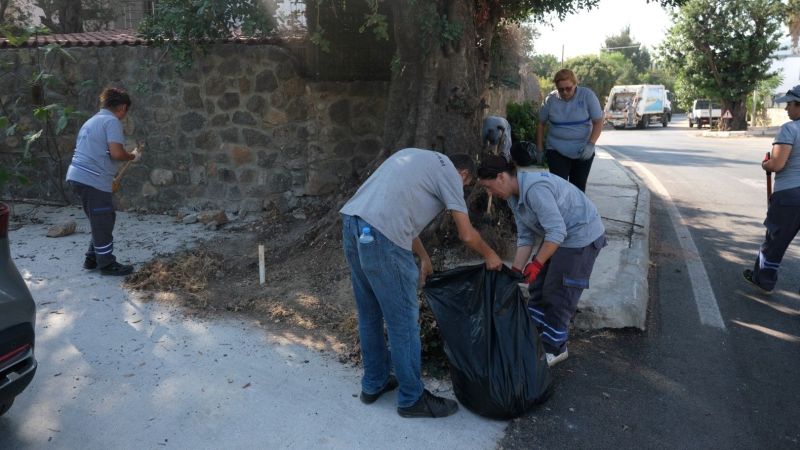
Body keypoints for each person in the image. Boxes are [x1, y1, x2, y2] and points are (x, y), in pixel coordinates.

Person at [340, 148, 503, 418]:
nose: (461, 191)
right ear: (464, 174)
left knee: (369, 314)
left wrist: (424, 258)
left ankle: (374, 382)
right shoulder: (450, 174)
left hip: (353, 225)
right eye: (466, 185)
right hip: (382, 238)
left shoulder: (417, 158)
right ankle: (411, 399)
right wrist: (490, 255)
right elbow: (466, 234)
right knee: (403, 321)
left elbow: (400, 216)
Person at [476, 155, 606, 366]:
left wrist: (537, 263)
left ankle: (556, 347)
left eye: (489, 187)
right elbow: (526, 236)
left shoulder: (535, 189)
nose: (490, 194)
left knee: (559, 292)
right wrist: (516, 272)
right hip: (559, 235)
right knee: (537, 287)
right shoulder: (512, 196)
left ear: (501, 177)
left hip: (581, 236)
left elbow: (557, 231)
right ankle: (535, 332)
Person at [66, 87, 141, 276]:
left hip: (79, 176)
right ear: (122, 107)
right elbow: (116, 153)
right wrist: (132, 156)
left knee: (100, 218)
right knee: (103, 219)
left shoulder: (92, 121)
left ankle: (92, 258)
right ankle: (107, 263)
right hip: (92, 178)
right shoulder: (111, 121)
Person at [743, 85, 800, 293]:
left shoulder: (790, 129)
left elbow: (776, 164)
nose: (786, 109)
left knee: (775, 241)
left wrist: (765, 164)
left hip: (790, 196)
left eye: (789, 104)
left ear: (798, 105)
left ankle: (763, 280)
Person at [537, 68, 604, 192]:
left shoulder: (587, 96)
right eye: (561, 89)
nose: (565, 92)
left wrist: (591, 144)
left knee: (578, 188)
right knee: (558, 188)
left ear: (575, 84)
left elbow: (598, 121)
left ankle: (577, 211)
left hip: (582, 150)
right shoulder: (550, 100)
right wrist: (539, 149)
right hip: (556, 149)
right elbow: (541, 124)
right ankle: (560, 211)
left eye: (568, 88)